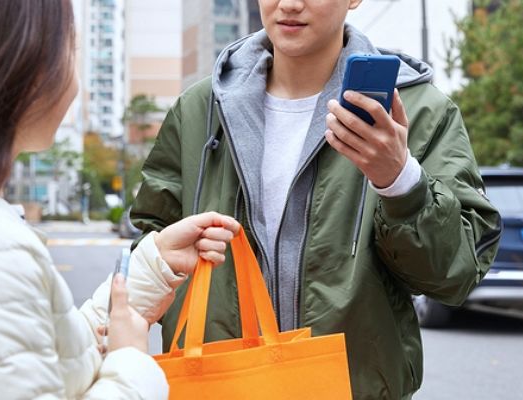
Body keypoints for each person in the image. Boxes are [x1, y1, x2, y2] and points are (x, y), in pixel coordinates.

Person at [0, 1, 240, 399]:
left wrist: (152, 266)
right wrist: (132, 368)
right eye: (70, 46)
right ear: (26, 68)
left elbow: (39, 358)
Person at [131, 0, 502, 398]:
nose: (289, 4)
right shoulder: (200, 110)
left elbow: (455, 275)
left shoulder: (420, 111)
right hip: (220, 384)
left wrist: (400, 181)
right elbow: (150, 247)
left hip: (350, 387)